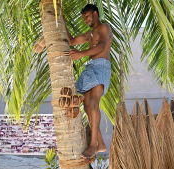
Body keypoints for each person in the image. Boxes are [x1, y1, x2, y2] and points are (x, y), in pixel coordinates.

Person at [64, 4, 113, 159]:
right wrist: (62, 20)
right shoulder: (89, 34)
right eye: (83, 18)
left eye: (87, 16)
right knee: (86, 106)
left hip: (101, 67)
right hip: (90, 68)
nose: (85, 20)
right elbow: (71, 41)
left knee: (93, 104)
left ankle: (93, 146)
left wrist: (81, 54)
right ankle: (101, 143)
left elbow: (101, 46)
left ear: (95, 13)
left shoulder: (104, 28)